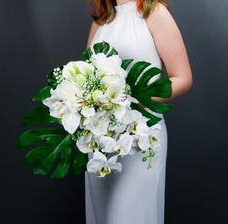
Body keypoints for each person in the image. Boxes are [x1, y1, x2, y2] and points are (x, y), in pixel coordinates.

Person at [85, 0, 193, 223]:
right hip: (101, 144)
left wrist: (134, 100)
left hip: (141, 138)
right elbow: (87, 77)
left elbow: (183, 78)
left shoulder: (154, 13)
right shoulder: (101, 21)